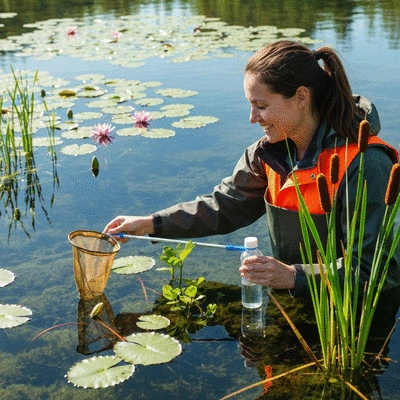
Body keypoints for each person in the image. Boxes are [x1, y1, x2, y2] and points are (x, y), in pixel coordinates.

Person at [104, 40, 400, 297]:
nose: (252, 118)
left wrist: (293, 277)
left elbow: (374, 272)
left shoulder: (366, 165)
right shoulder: (267, 153)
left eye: (261, 105)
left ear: (300, 97)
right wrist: (152, 224)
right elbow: (224, 206)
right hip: (299, 294)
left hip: (356, 322)